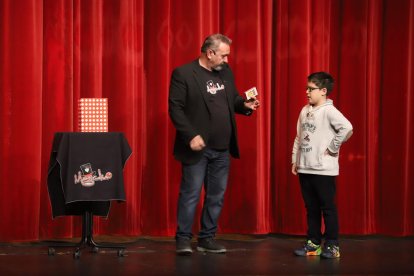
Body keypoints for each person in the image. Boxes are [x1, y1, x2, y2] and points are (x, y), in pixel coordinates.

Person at [168, 33, 260, 255]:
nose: (227, 60)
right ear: (210, 53)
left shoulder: (225, 72)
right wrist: (190, 135)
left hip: (222, 148)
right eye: (224, 55)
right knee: (190, 193)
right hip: (198, 147)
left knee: (216, 196)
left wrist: (245, 105)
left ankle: (206, 238)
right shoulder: (184, 73)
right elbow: (175, 108)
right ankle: (182, 239)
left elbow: (233, 100)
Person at [291, 72, 353, 259]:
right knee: (311, 208)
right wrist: (295, 159)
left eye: (311, 89)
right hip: (305, 166)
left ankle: (332, 245)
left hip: (323, 169)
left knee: (327, 207)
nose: (307, 92)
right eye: (307, 88)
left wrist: (333, 148)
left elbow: (347, 128)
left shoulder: (329, 111)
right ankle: (314, 243)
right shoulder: (304, 110)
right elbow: (299, 136)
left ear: (323, 91)